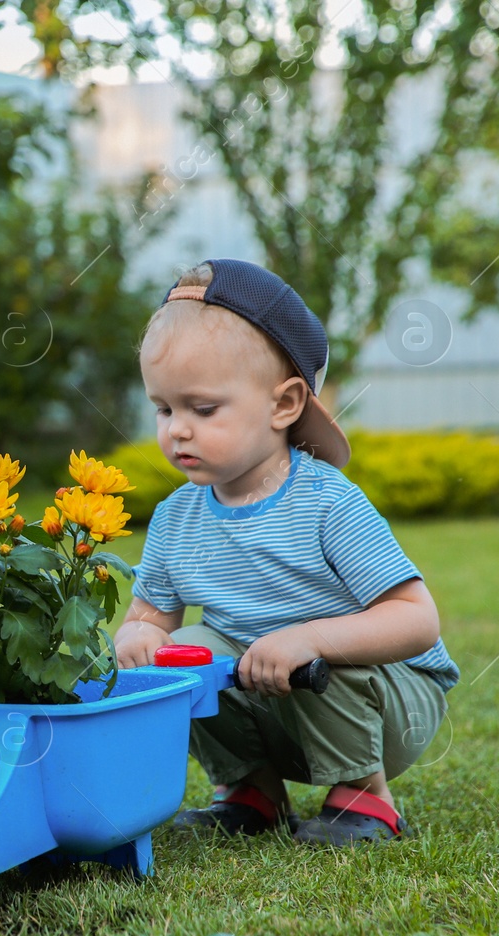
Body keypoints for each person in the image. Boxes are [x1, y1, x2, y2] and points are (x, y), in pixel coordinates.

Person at [113, 260, 459, 846]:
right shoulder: (176, 516)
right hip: (273, 698)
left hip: (389, 704)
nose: (177, 431)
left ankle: (365, 796)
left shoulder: (326, 503)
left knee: (320, 649)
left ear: (284, 405)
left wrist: (311, 637)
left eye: (203, 409)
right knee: (184, 652)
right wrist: (139, 638)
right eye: (164, 409)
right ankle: (251, 791)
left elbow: (417, 620)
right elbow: (148, 615)